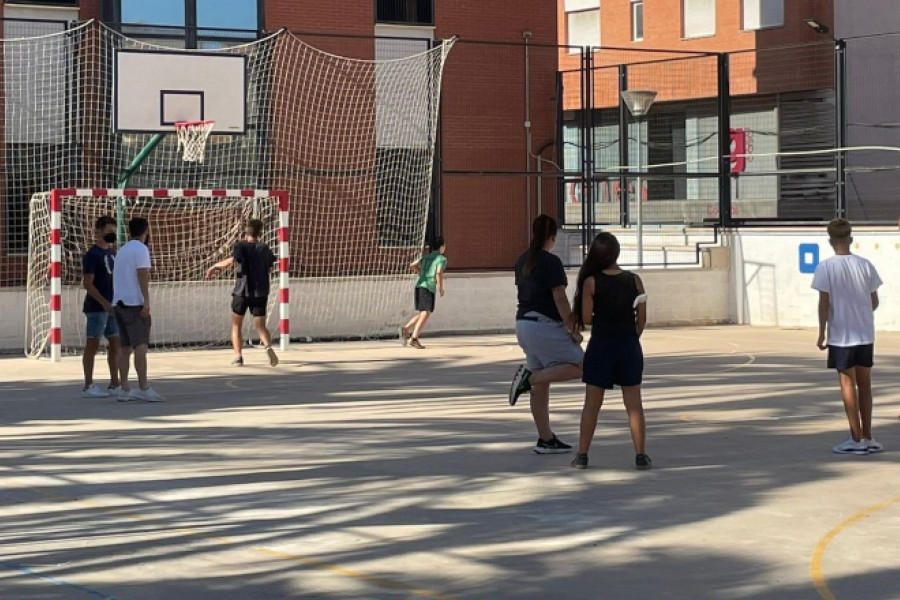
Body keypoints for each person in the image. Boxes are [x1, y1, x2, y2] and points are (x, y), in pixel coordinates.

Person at [569, 232, 650, 470]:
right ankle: (640, 455)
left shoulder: (591, 282)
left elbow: (586, 318)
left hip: (602, 345)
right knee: (634, 404)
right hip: (628, 344)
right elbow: (642, 319)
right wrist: (631, 337)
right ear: (617, 253)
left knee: (592, 404)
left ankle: (582, 455)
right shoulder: (634, 280)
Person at [508, 215, 583, 454]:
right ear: (553, 237)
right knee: (584, 367)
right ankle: (528, 379)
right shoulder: (551, 262)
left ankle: (545, 438)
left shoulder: (522, 260)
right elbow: (559, 298)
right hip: (543, 326)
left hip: (523, 324)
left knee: (543, 381)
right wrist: (572, 328)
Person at [812, 218, 883, 455]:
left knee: (846, 384)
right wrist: (860, 314)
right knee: (865, 385)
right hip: (865, 334)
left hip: (842, 336)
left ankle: (855, 438)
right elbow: (874, 300)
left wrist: (822, 331)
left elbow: (824, 303)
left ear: (830, 241)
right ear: (850, 239)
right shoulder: (865, 264)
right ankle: (868, 436)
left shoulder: (826, 267)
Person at [206, 218, 279, 367]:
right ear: (260, 232)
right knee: (260, 325)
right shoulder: (264, 248)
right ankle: (268, 346)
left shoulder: (240, 246)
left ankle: (238, 357)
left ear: (246, 232)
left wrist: (215, 267)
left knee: (236, 325)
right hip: (260, 291)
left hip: (242, 291)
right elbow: (270, 269)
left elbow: (232, 260)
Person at [112, 217, 163, 402]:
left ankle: (124, 387)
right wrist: (146, 300)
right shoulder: (141, 249)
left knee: (125, 348)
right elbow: (142, 273)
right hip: (134, 304)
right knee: (140, 346)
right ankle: (143, 387)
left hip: (119, 302)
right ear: (146, 230)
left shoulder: (122, 250)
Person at [80, 215, 121, 397]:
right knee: (93, 343)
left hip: (113, 305)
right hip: (97, 307)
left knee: (115, 343)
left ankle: (115, 383)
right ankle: (88, 384)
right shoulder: (92, 255)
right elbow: (88, 283)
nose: (112, 235)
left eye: (114, 231)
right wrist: (103, 302)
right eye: (109, 231)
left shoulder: (113, 253)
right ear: (99, 232)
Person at [399, 237, 447, 350]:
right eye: (444, 245)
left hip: (419, 286)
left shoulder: (426, 257)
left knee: (423, 313)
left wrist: (420, 271)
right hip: (428, 287)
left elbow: (412, 265)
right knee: (426, 313)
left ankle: (406, 329)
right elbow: (439, 272)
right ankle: (414, 338)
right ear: (441, 247)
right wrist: (441, 287)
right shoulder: (441, 259)